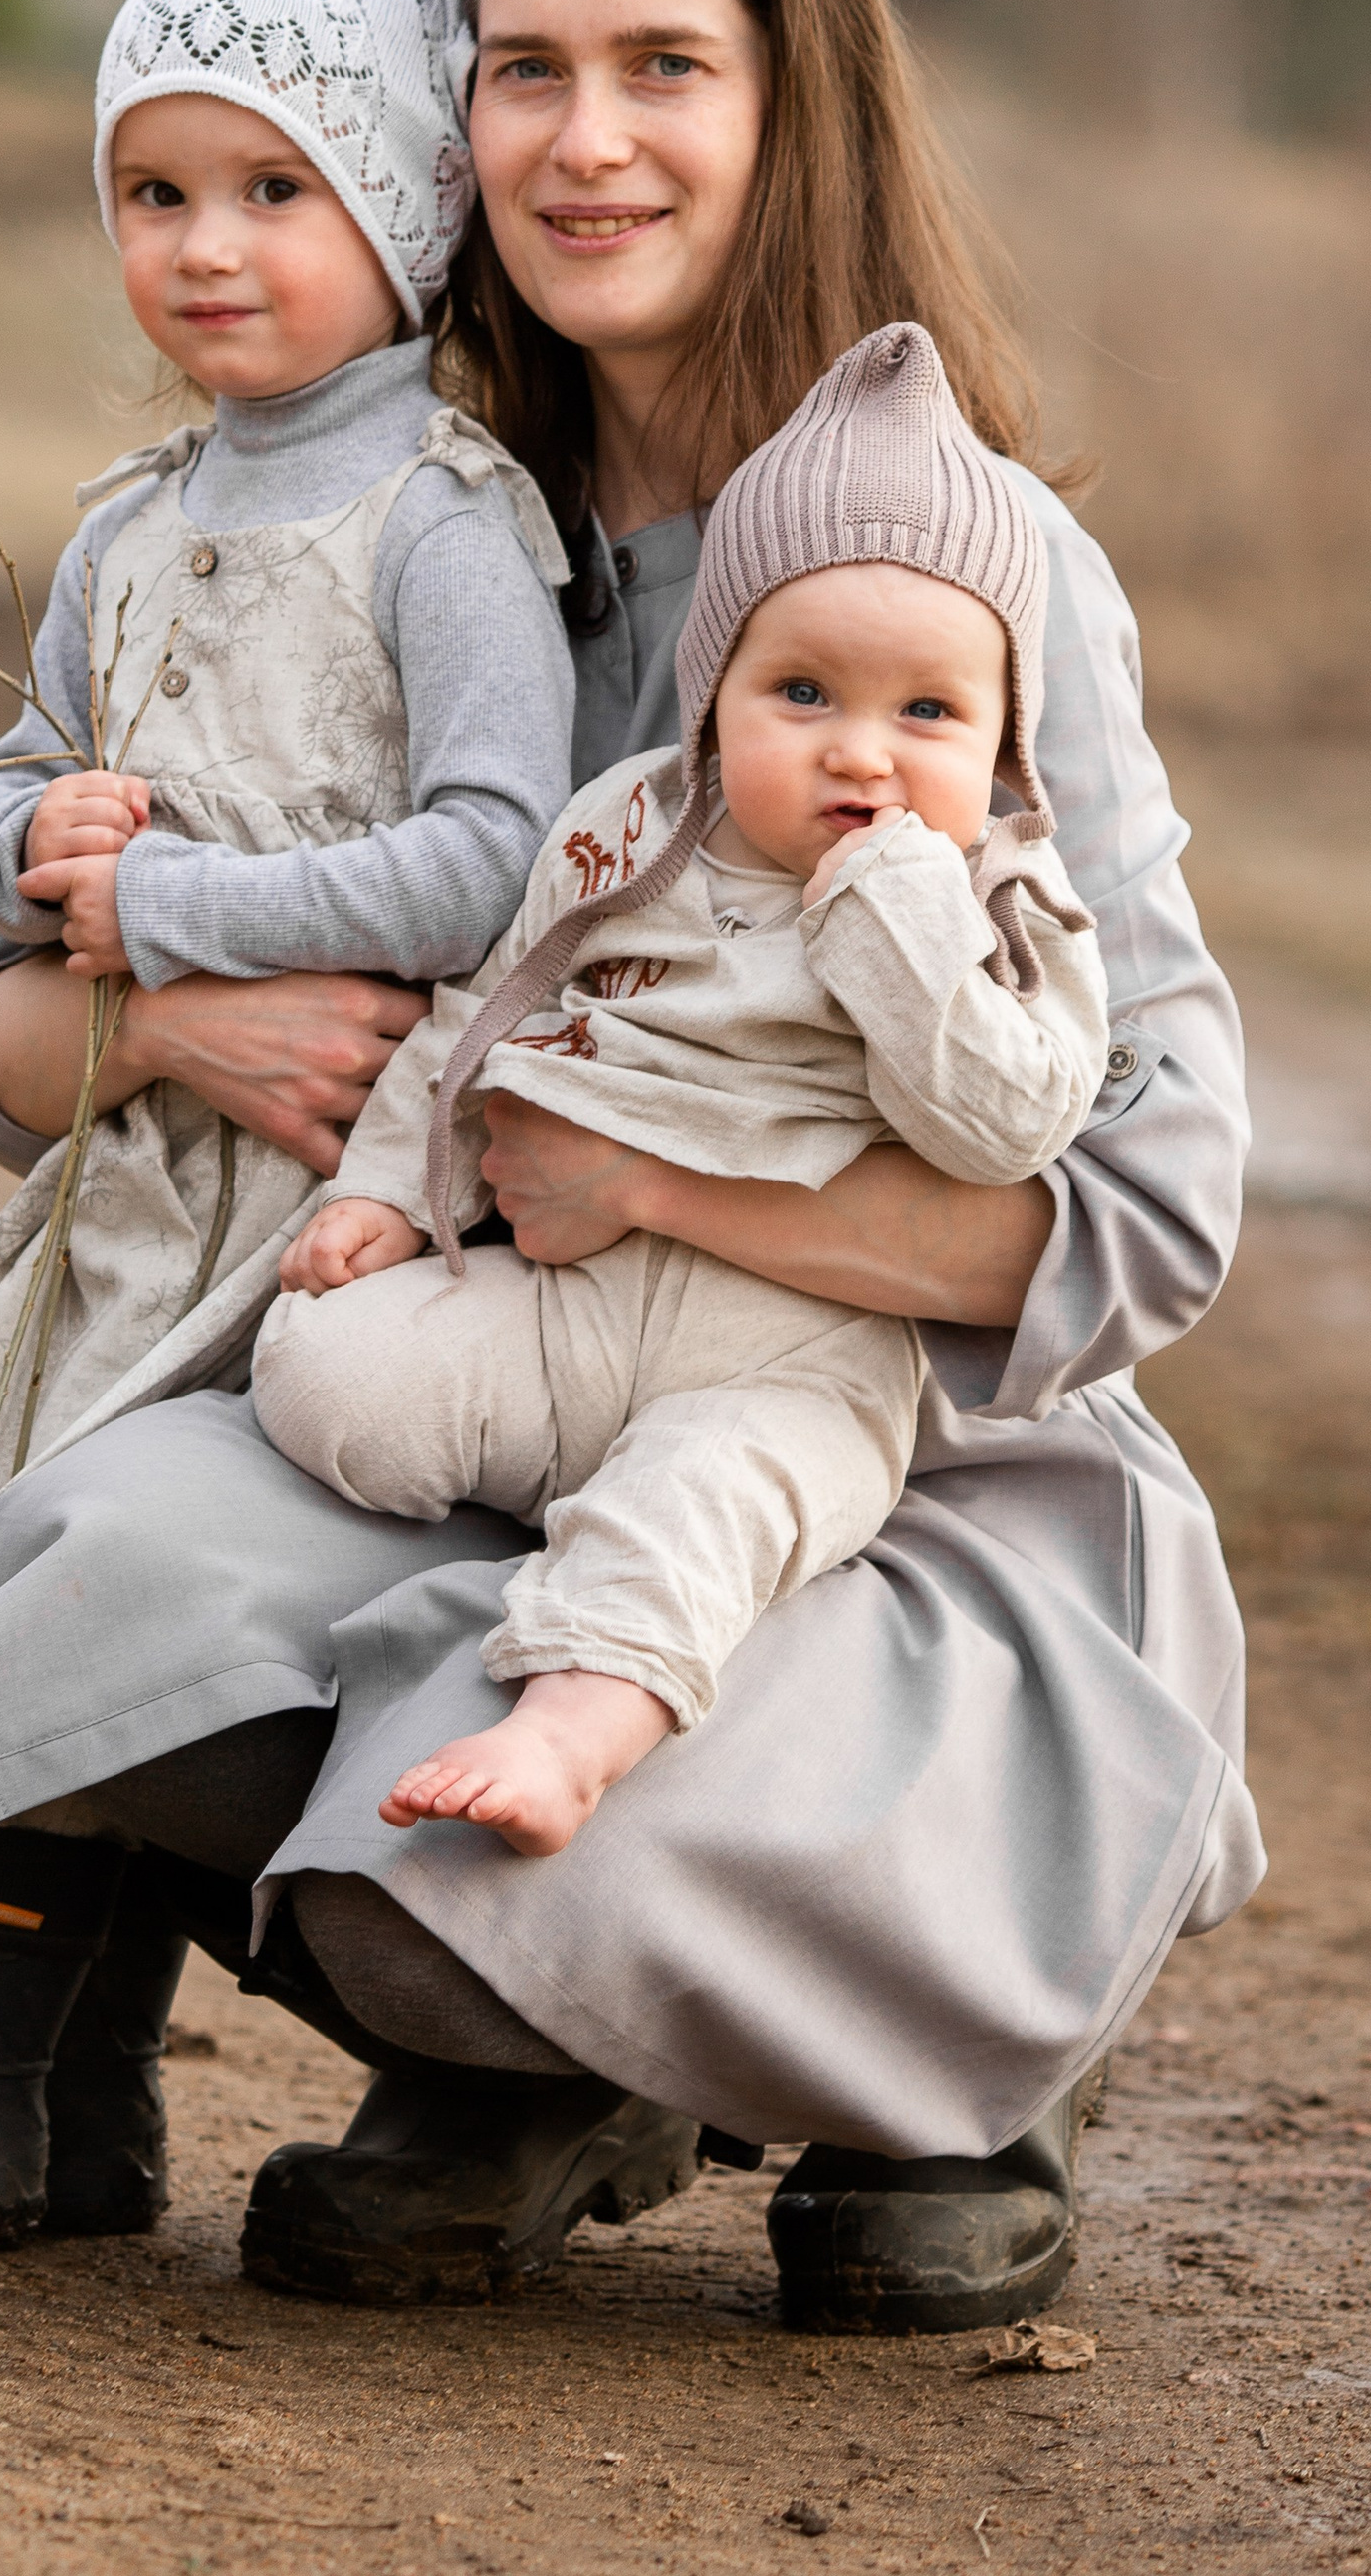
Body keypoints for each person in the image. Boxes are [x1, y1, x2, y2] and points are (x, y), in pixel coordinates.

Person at [0, 0, 1262, 2334]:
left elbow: (1150, 1200)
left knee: (601, 1745)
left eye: (666, 67)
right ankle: (493, 2042)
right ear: (445, 108)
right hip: (489, 1376)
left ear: (789, 89)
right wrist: (161, 998)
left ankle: (941, 2029)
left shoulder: (959, 573)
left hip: (865, 1427)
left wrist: (651, 1183)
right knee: (92, 1559)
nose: (588, 139)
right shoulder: (401, 497)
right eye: (524, 66)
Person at [0, 0, 576, 1744]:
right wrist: (31, 853)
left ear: (408, 201)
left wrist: (174, 899)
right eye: (154, 193)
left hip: (329, 1195)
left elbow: (491, 861)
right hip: (127, 1186)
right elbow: (12, 786)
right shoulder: (125, 521)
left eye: (276, 189)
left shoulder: (443, 525)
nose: (205, 247)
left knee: (105, 1579)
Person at [255, 325, 1113, 1857]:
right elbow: (482, 1009)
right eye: (802, 691)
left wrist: (892, 914)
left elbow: (1010, 1124)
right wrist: (386, 1193)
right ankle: (525, 1502)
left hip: (793, 1354)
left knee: (706, 1497)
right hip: (575, 1309)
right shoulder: (625, 831)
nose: (863, 752)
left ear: (1003, 740)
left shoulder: (1002, 901)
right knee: (331, 1369)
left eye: (929, 714)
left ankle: (570, 1732)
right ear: (713, 692)